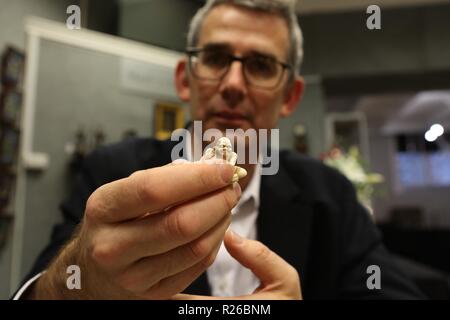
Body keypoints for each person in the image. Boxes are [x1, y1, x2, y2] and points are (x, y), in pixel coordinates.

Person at [15, 0, 423, 300]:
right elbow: (37, 290)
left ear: (290, 97)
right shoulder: (110, 170)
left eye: (261, 66)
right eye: (214, 58)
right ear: (185, 80)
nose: (232, 83)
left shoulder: (330, 195)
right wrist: (82, 280)